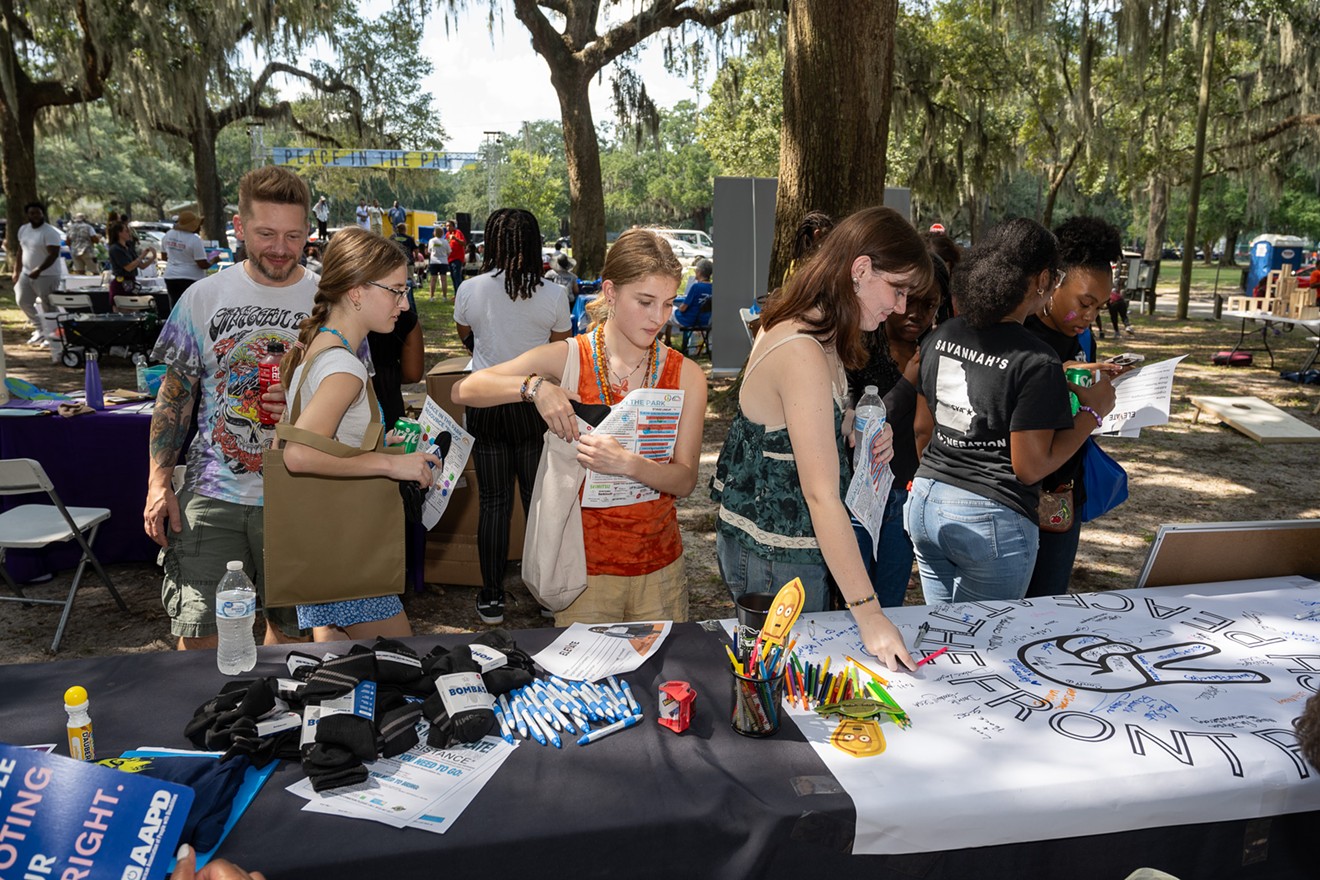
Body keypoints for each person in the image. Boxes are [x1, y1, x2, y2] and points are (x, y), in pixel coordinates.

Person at [712, 206, 928, 671]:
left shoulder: (820, 332)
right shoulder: (804, 348)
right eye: (898, 289)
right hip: (776, 558)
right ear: (862, 270)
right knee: (782, 689)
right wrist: (870, 616)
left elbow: (799, 423)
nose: (902, 307)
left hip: (789, 551)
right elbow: (820, 495)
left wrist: (853, 424)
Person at [453, 229, 707, 626]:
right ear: (611, 292)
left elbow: (685, 479)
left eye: (668, 303)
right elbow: (465, 388)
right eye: (645, 302)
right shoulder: (571, 356)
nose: (659, 317)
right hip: (583, 574)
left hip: (660, 570)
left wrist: (628, 464)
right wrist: (534, 388)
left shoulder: (686, 375)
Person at [144, 165, 321, 651]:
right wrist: (159, 483)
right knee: (199, 641)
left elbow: (356, 406)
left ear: (309, 231)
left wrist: (304, 399)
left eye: (293, 235)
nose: (281, 248)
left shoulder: (331, 301)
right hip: (212, 497)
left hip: (299, 496)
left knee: (292, 642)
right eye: (266, 233)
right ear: (240, 228)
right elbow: (174, 397)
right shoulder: (204, 297)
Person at [907, 218, 1117, 606]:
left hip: (927, 502)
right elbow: (1030, 467)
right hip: (990, 520)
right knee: (989, 643)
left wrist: (949, 474)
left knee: (943, 630)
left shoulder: (942, 335)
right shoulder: (1037, 360)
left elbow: (922, 428)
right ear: (1041, 281)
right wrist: (1094, 412)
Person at [277, 227, 439, 641]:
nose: (404, 305)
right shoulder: (344, 368)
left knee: (339, 674)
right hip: (347, 550)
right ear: (356, 292)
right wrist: (391, 463)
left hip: (323, 546)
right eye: (396, 291)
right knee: (401, 660)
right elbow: (298, 454)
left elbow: (324, 442)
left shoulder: (315, 346)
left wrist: (376, 445)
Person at [453, 209, 572, 623]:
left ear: (493, 240)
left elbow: (466, 335)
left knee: (493, 503)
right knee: (536, 501)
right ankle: (544, 591)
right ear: (536, 243)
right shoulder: (554, 295)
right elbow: (560, 353)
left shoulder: (469, 288)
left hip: (485, 402)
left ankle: (490, 595)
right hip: (535, 405)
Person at [1022, 217, 1127, 598]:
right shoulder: (1018, 333)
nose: (1088, 317)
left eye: (1099, 308)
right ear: (1053, 281)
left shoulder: (1082, 337)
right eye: (1084, 304)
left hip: (1064, 493)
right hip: (1017, 495)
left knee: (1048, 598)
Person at [845, 252, 945, 607]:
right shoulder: (858, 348)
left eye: (928, 305)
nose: (914, 313)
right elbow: (862, 420)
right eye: (907, 299)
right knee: (852, 597)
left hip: (907, 493)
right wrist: (909, 380)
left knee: (889, 597)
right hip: (862, 494)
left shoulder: (941, 353)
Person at [12, 201, 63, 345]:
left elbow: (53, 254)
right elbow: (20, 251)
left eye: (38, 213)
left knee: (49, 305)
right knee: (22, 300)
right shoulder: (23, 229)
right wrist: (17, 270)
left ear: (43, 214)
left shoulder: (49, 232)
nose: (35, 216)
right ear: (27, 215)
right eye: (32, 213)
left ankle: (55, 335)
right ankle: (40, 329)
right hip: (26, 273)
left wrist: (39, 269)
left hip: (47, 275)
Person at [162, 210, 220, 304]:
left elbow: (164, 257)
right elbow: (202, 264)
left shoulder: (169, 234)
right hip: (190, 277)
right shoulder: (195, 240)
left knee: (175, 306)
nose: (200, 228)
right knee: (191, 307)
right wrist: (214, 260)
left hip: (171, 276)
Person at [665, 258, 712, 351]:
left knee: (665, 310)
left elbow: (683, 308)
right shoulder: (713, 287)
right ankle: (667, 342)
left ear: (699, 272)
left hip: (688, 320)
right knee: (667, 314)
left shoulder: (696, 287)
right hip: (704, 321)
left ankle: (662, 343)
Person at [107, 220, 157, 307]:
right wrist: (141, 256)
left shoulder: (129, 247)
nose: (129, 233)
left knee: (135, 308)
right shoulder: (115, 249)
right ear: (119, 233)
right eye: (126, 231)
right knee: (122, 309)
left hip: (131, 282)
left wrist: (152, 257)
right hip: (121, 282)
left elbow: (141, 266)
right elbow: (128, 267)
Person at [445, 219, 467, 294]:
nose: (448, 228)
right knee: (453, 277)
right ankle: (456, 294)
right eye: (446, 226)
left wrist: (455, 238)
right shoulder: (447, 235)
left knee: (457, 276)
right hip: (450, 259)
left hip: (457, 258)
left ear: (453, 226)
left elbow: (464, 243)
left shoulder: (458, 232)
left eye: (449, 226)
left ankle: (460, 294)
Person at [427, 232, 447, 299]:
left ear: (434, 233)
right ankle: (444, 296)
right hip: (443, 262)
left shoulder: (431, 240)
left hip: (434, 261)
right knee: (443, 279)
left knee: (433, 279)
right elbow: (449, 251)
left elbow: (429, 251)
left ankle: (431, 297)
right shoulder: (445, 241)